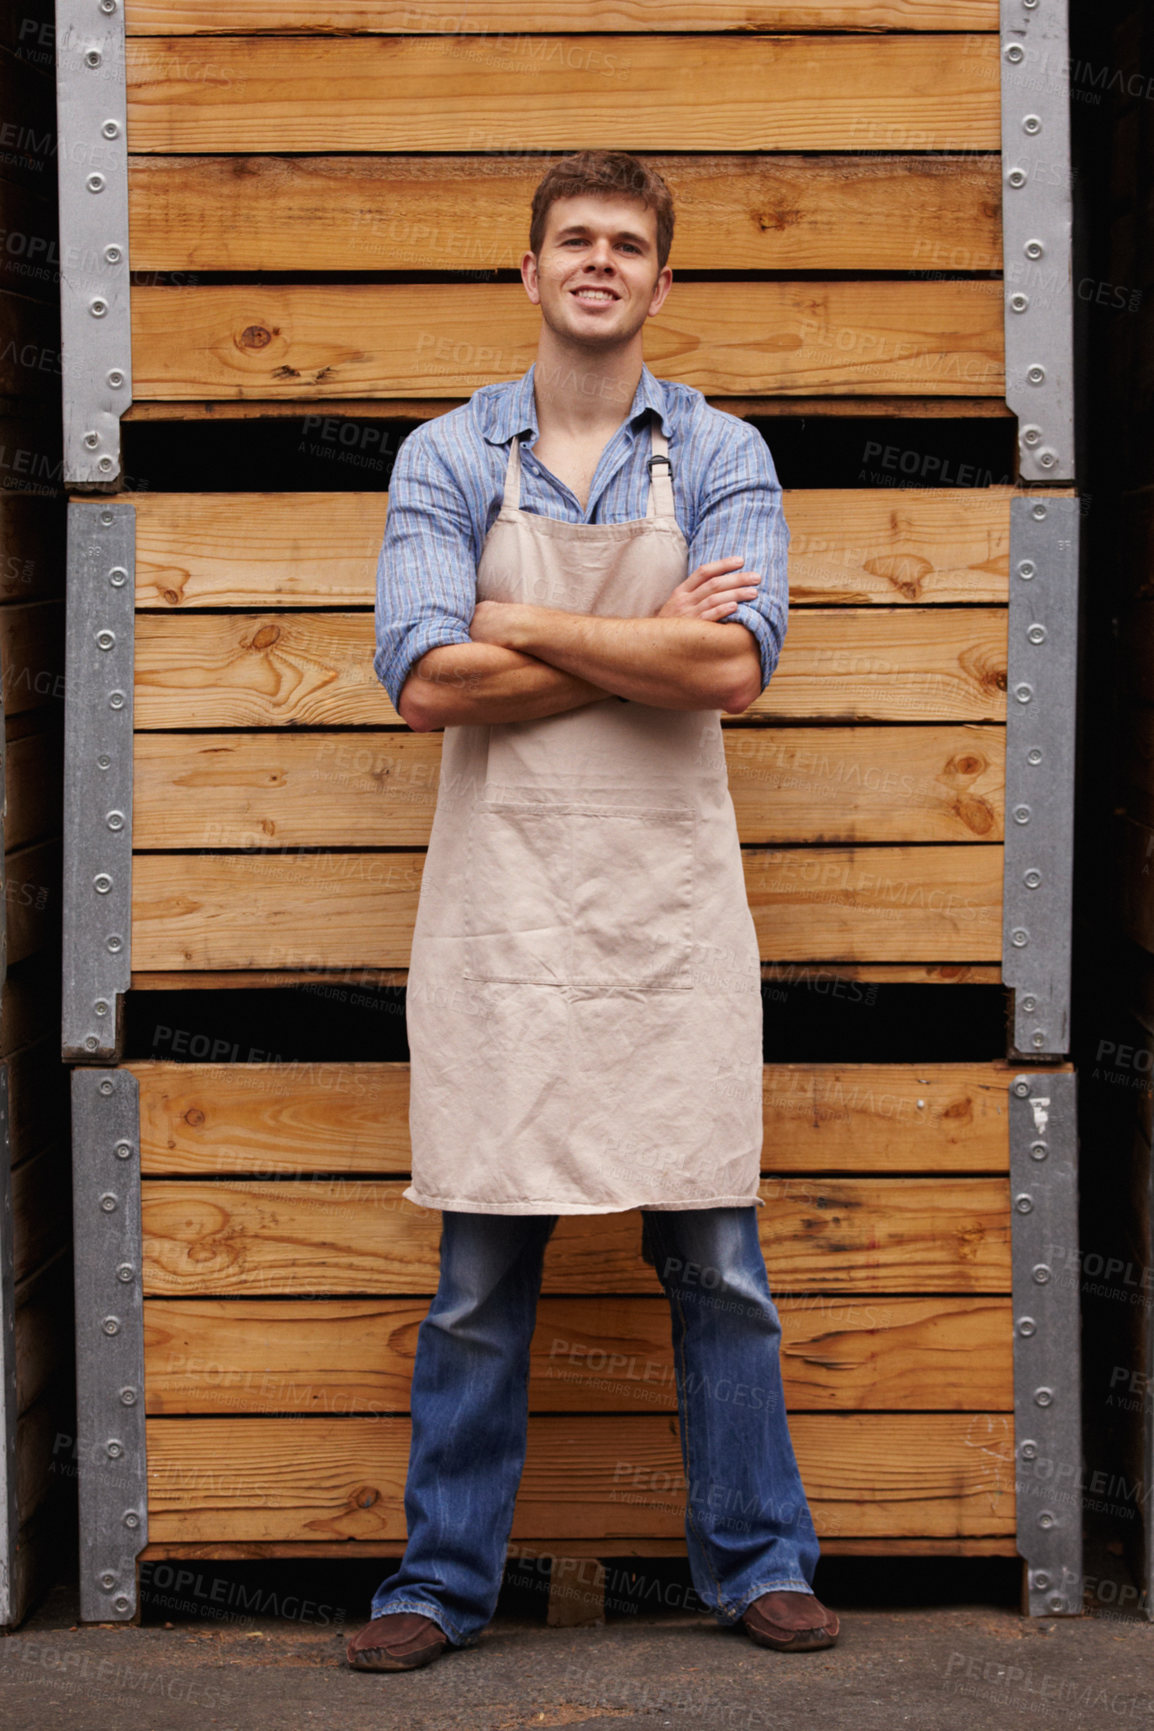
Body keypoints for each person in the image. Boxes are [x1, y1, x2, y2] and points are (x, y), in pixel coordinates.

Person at [346, 150, 839, 1673]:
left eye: (628, 243)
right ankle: (437, 1586)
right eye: (575, 239)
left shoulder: (721, 452)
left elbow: (735, 669)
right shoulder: (444, 455)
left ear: (662, 280)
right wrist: (639, 635)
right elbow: (425, 685)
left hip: (666, 931)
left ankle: (758, 1562)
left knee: (723, 1277)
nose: (600, 262)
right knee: (480, 1290)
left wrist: (521, 624)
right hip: (503, 926)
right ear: (530, 270)